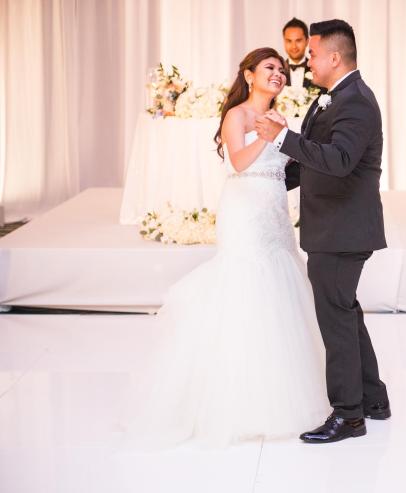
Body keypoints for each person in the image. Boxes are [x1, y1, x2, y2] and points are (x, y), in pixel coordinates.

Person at [124, 47, 329, 449]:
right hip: (244, 210)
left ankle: (282, 391)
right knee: (246, 284)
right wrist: (269, 136)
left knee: (281, 286)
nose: (278, 73)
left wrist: (285, 138)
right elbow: (238, 162)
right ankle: (235, 400)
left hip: (274, 211)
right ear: (249, 75)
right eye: (270, 67)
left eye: (282, 69)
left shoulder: (279, 117)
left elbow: (285, 168)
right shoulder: (237, 115)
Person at [255, 19, 391, 444]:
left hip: (343, 230)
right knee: (345, 311)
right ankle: (374, 399)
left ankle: (348, 416)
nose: (306, 60)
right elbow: (315, 161)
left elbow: (339, 161)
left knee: (335, 320)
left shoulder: (356, 102)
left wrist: (282, 138)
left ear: (334, 56)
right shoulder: (334, 97)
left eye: (312, 54)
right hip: (337, 227)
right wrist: (267, 180)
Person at [282, 17, 314, 89]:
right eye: (289, 41)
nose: (294, 46)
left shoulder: (317, 70)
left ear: (307, 41)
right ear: (284, 42)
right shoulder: (277, 72)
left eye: (298, 40)